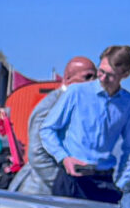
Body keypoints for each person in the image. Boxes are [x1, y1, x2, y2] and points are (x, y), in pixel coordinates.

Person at [40, 45, 130, 204]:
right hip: (71, 179)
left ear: (125, 74)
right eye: (101, 71)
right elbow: (47, 129)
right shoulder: (76, 93)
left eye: (110, 75)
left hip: (104, 183)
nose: (102, 78)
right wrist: (63, 158)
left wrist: (121, 183)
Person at [12, 55, 96, 197]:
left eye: (95, 78)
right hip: (39, 193)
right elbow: (38, 154)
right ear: (68, 78)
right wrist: (64, 186)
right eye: (87, 77)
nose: (93, 82)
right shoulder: (52, 105)